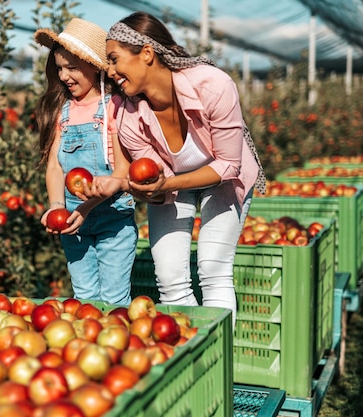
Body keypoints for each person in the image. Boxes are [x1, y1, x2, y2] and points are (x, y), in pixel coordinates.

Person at [86, 11, 266, 324]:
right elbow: (154, 177)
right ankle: (188, 352)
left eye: (114, 59)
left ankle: (220, 360)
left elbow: (228, 165)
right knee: (169, 278)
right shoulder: (126, 114)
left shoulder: (212, 85)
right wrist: (144, 190)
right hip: (173, 181)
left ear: (146, 53)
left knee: (213, 269)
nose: (110, 71)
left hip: (225, 177)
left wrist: (165, 186)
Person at [33, 18, 138, 306]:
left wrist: (84, 207)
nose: (64, 76)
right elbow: (55, 166)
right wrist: (56, 205)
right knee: (85, 300)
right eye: (59, 69)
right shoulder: (63, 112)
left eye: (72, 68)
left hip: (113, 220)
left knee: (115, 300)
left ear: (94, 65)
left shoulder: (114, 107)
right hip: (73, 225)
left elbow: (121, 170)